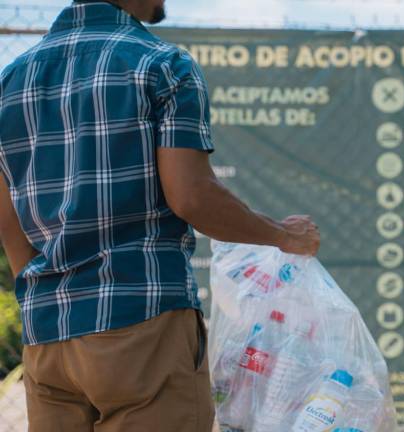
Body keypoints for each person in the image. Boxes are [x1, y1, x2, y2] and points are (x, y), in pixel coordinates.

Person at [0, 0, 320, 430]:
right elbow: (191, 197)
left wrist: (43, 299)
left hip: (49, 340)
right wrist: (284, 235)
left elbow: (8, 220)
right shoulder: (161, 65)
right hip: (141, 323)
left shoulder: (10, 81)